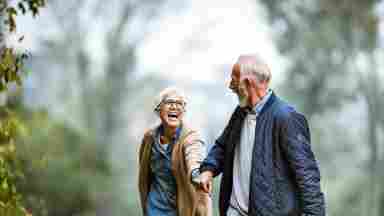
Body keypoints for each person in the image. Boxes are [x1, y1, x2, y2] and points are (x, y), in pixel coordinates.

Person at [198, 55, 325, 216]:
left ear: (247, 83)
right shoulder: (240, 113)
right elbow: (222, 147)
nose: (230, 86)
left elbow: (307, 175)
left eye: (234, 79)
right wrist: (208, 170)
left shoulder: (286, 117)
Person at [138, 87, 212, 216]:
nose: (174, 107)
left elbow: (194, 156)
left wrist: (196, 174)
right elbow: (144, 172)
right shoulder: (149, 137)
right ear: (159, 109)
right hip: (154, 208)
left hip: (181, 209)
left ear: (183, 112)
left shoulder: (190, 136)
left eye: (179, 104)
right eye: (169, 102)